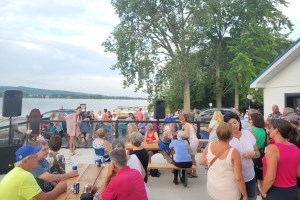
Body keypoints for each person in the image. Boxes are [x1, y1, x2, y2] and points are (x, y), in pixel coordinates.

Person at [200, 122, 248, 200]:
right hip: (229, 192)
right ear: (231, 135)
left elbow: (201, 161)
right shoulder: (234, 152)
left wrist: (216, 166)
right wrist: (245, 195)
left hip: (213, 188)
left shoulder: (210, 144)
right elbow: (238, 178)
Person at [0, 145, 67, 199]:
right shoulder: (25, 176)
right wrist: (61, 187)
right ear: (26, 161)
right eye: (35, 157)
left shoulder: (17, 171)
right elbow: (45, 198)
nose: (37, 159)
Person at [260, 119, 300, 200]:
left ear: (276, 130)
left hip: (277, 192)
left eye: (270, 127)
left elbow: (270, 177)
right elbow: (298, 173)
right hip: (293, 191)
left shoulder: (272, 149)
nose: (268, 129)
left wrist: (263, 191)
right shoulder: (295, 148)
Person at [224, 112, 260, 200]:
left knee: (251, 197)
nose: (233, 125)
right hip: (233, 178)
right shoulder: (225, 139)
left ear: (239, 122)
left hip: (249, 175)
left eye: (235, 122)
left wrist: (253, 154)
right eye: (229, 124)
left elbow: (258, 153)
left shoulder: (249, 134)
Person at [249, 112, 267, 189]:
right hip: (263, 154)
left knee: (254, 177)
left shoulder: (252, 132)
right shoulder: (264, 130)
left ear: (254, 121)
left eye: (250, 119)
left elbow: (250, 146)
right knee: (261, 176)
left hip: (255, 155)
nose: (249, 120)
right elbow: (267, 143)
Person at [179, 113, 199, 178]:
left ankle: (194, 172)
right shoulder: (188, 124)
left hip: (192, 141)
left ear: (184, 119)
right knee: (191, 157)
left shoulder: (186, 125)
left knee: (192, 157)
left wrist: (180, 136)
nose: (179, 120)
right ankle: (191, 171)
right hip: (193, 140)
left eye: (180, 119)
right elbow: (195, 129)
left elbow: (187, 135)